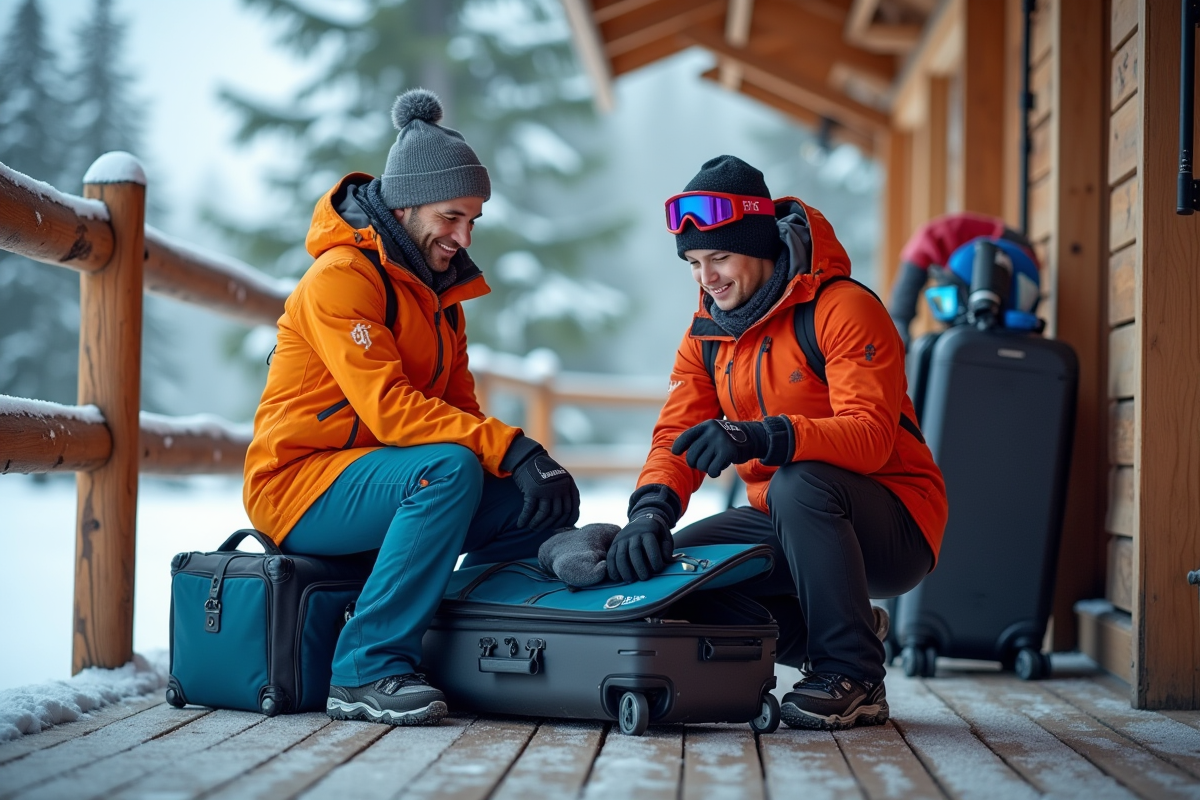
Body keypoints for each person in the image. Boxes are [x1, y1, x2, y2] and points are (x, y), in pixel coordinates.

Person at [242, 88, 580, 726]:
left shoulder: (438, 300)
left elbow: (461, 410)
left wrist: (521, 465)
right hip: (298, 484)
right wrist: (512, 444)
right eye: (452, 216)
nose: (463, 235)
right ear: (407, 203)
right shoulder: (342, 278)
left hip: (379, 478)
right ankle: (366, 668)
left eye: (473, 221)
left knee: (524, 498)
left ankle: (472, 651)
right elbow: (392, 410)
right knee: (449, 470)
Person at [605, 155, 948, 730]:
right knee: (679, 576)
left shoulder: (845, 309)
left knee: (799, 482)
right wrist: (650, 512)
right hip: (788, 518)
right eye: (693, 263)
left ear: (760, 246)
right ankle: (841, 627)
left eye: (720, 257)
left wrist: (762, 435)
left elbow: (868, 438)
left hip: (894, 521)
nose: (706, 278)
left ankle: (853, 672)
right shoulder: (708, 336)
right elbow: (675, 436)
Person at [887, 212, 1036, 347]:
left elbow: (911, 275)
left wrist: (899, 321)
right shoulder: (940, 240)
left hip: (1008, 255)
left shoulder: (931, 238)